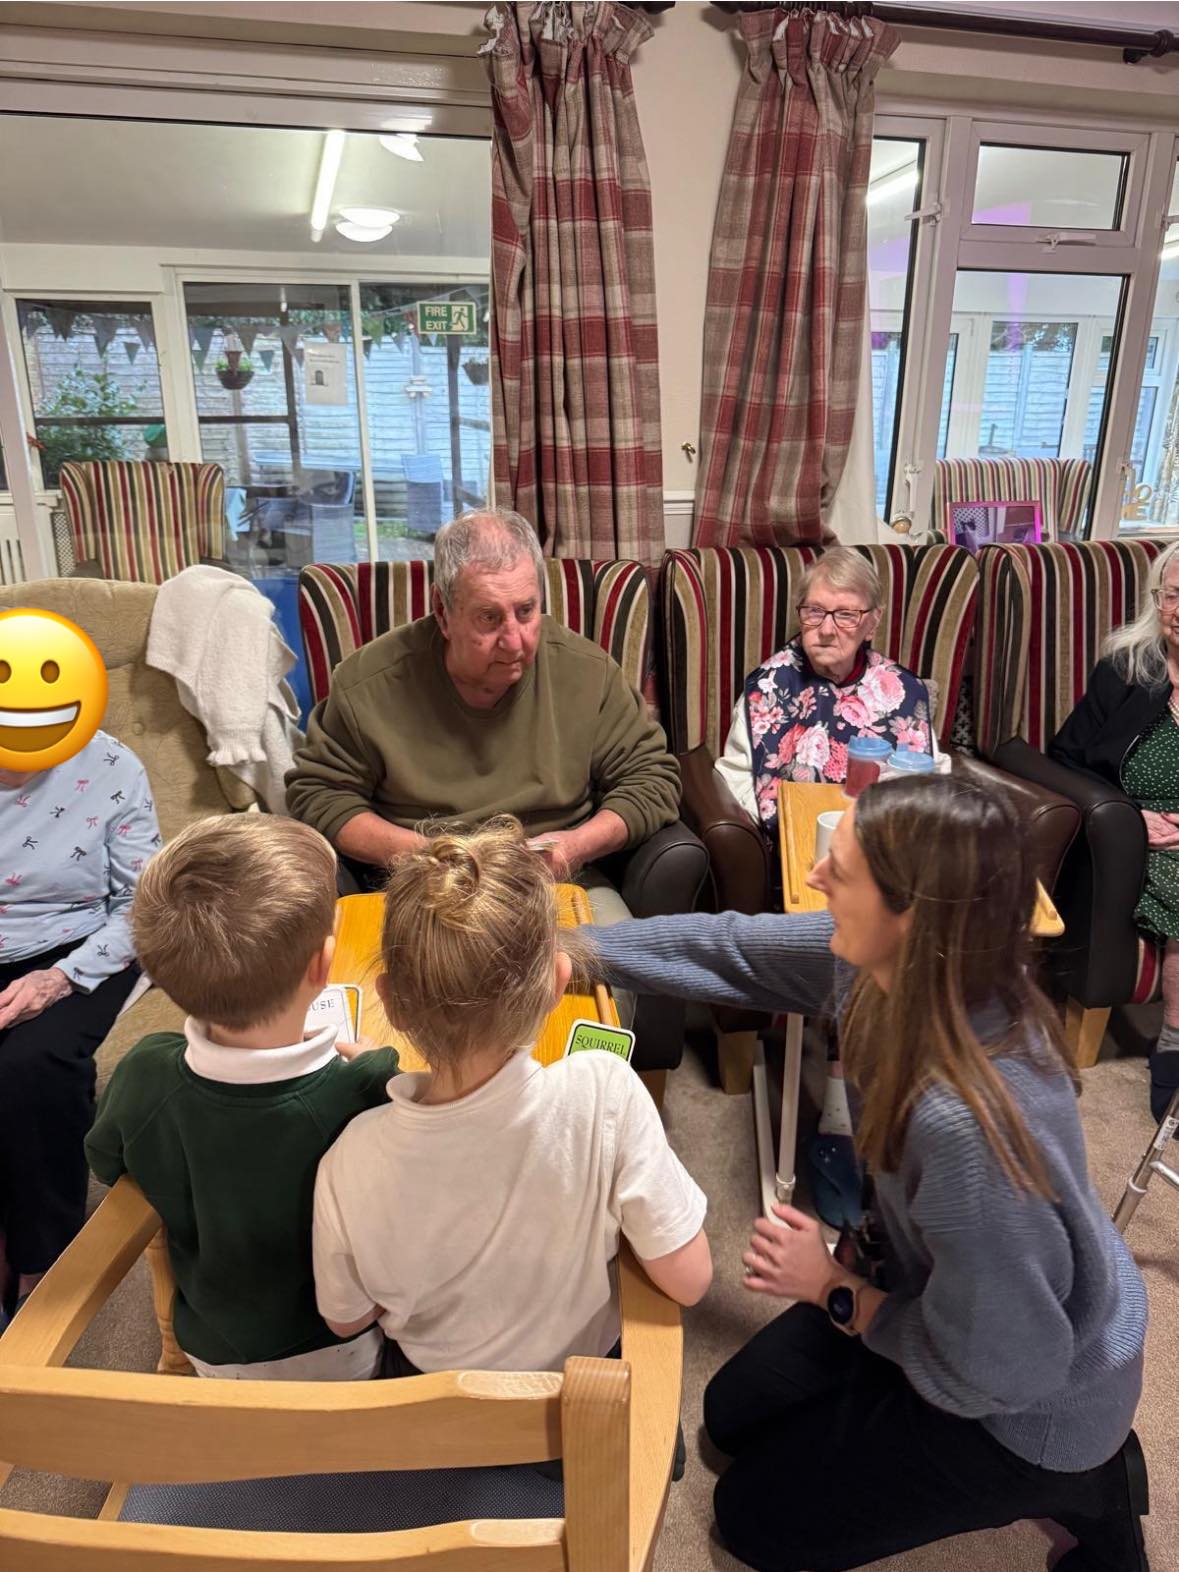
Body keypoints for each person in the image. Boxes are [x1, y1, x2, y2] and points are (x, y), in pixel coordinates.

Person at [586, 778, 1148, 1572]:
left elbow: (997, 1370)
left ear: (909, 912)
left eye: (837, 870)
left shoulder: (965, 1130)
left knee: (748, 1520)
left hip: (1023, 1402)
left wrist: (830, 1290)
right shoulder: (896, 965)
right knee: (730, 1416)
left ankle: (1092, 1484)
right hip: (940, 1291)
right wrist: (571, 950)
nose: (814, 880)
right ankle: (888, 1378)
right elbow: (730, 947)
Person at [312, 817, 711, 1378]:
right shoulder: (606, 1092)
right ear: (557, 981)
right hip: (581, 1410)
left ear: (391, 1002)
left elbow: (346, 1320)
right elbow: (689, 1281)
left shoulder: (349, 1158)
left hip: (430, 1426)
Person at [85, 814, 399, 1380]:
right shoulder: (365, 1090)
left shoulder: (143, 1074)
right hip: (343, 1351)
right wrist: (377, 1060)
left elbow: (107, 1161)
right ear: (324, 965)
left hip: (211, 1349)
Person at [285, 509, 680, 931]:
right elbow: (319, 795)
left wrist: (574, 847)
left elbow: (652, 780)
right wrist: (428, 854)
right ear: (443, 611)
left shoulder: (587, 671)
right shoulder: (368, 682)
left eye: (526, 611)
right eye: (489, 618)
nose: (514, 641)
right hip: (421, 882)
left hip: (554, 880)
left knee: (610, 974)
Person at [0, 729, 159, 1324]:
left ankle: (46, 1259)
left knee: (31, 1066)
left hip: (82, 941)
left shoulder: (110, 763)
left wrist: (58, 979)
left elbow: (143, 904)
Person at [1051, 538, 1179, 1125]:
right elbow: (1066, 758)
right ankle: (1174, 1046)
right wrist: (1130, 816)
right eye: (1172, 594)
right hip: (1136, 836)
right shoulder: (1127, 669)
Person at [714, 547, 933, 830]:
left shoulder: (905, 690)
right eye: (815, 611)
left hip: (885, 845)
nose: (827, 629)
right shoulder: (767, 687)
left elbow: (930, 777)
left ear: (872, 623)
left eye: (845, 614)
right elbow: (735, 780)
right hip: (795, 840)